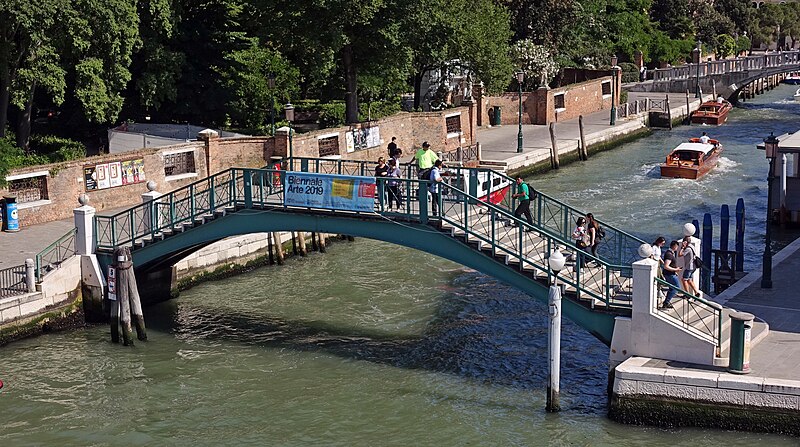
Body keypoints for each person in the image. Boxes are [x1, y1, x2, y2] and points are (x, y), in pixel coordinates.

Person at [660, 240, 683, 309]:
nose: (677, 249)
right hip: (669, 274)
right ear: (674, 246)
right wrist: (676, 270)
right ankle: (666, 302)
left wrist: (675, 270)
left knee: (672, 288)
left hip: (671, 273)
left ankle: (666, 302)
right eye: (677, 247)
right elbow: (666, 266)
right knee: (676, 287)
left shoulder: (670, 253)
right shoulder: (669, 255)